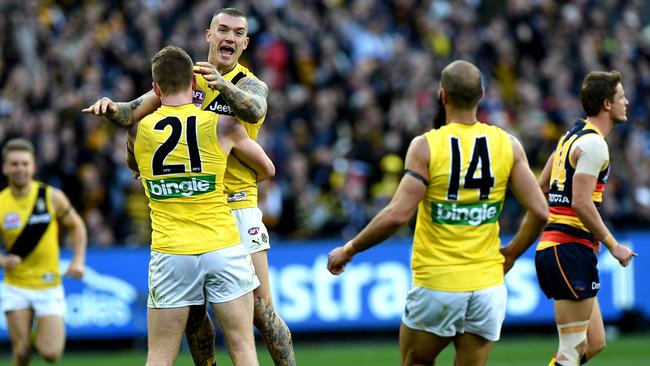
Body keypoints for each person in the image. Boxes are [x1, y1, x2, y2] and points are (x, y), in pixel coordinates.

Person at [82, 8, 295, 366]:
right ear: (208, 35)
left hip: (237, 206)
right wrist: (109, 106)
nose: (229, 36)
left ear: (245, 42)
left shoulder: (248, 82)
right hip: (192, 205)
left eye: (237, 32)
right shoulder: (187, 78)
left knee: (260, 311)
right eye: (222, 29)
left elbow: (256, 111)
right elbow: (132, 112)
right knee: (195, 318)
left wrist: (223, 85)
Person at [327, 60, 549, 366]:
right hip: (487, 286)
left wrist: (349, 249)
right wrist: (510, 253)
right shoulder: (508, 145)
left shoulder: (426, 146)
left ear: (442, 95)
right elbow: (540, 211)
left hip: (438, 284)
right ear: (481, 94)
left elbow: (396, 215)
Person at [131, 45, 275, 366]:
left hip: (171, 251)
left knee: (160, 354)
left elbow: (133, 160)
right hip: (222, 245)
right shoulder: (222, 125)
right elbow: (267, 169)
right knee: (242, 348)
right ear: (194, 85)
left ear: (156, 88)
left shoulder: (140, 131)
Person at [535, 71, 637, 366]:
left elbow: (542, 185)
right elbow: (581, 202)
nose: (627, 102)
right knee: (571, 349)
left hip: (560, 247)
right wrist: (613, 245)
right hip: (569, 248)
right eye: (621, 97)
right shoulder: (594, 144)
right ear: (607, 104)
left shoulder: (571, 136)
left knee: (595, 342)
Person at [0, 138, 87, 366]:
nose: (20, 169)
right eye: (15, 164)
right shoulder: (1, 203)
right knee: (22, 351)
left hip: (48, 285)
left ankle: (43, 328)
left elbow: (77, 226)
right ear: (5, 168)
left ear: (33, 167)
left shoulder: (51, 196)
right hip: (15, 286)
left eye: (24, 164)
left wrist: (78, 261)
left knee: (51, 353)